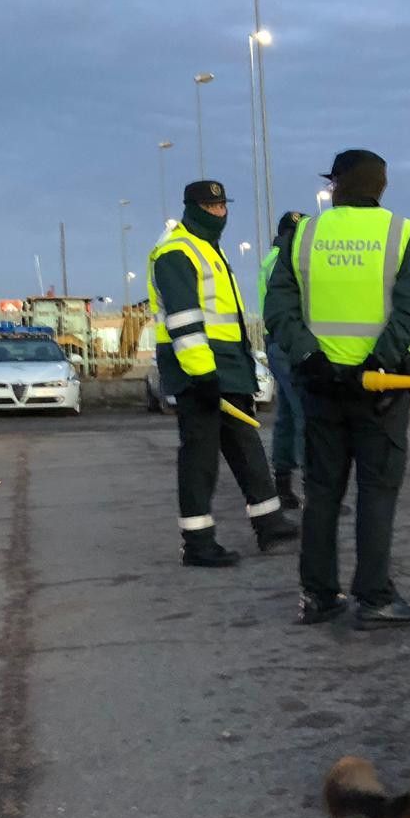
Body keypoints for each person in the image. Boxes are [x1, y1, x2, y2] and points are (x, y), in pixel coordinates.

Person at [264, 150, 410, 629]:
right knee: (377, 491)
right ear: (381, 186)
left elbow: (279, 308)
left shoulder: (303, 235)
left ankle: (318, 596)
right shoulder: (402, 233)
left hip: (321, 387)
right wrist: (378, 360)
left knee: (322, 492)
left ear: (337, 185)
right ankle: (373, 597)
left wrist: (310, 357)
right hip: (380, 388)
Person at [150, 180, 299, 567]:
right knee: (200, 456)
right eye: (210, 207)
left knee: (246, 446)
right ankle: (197, 542)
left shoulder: (207, 248)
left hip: (226, 366)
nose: (219, 213)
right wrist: (201, 374)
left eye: (221, 206)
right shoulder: (176, 251)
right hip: (199, 370)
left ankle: (270, 523)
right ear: (192, 208)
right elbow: (183, 318)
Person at [259, 210, 308, 509]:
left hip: (275, 342)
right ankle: (314, 489)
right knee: (306, 414)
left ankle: (283, 486)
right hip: (289, 341)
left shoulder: (270, 259)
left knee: (287, 416)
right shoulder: (287, 260)